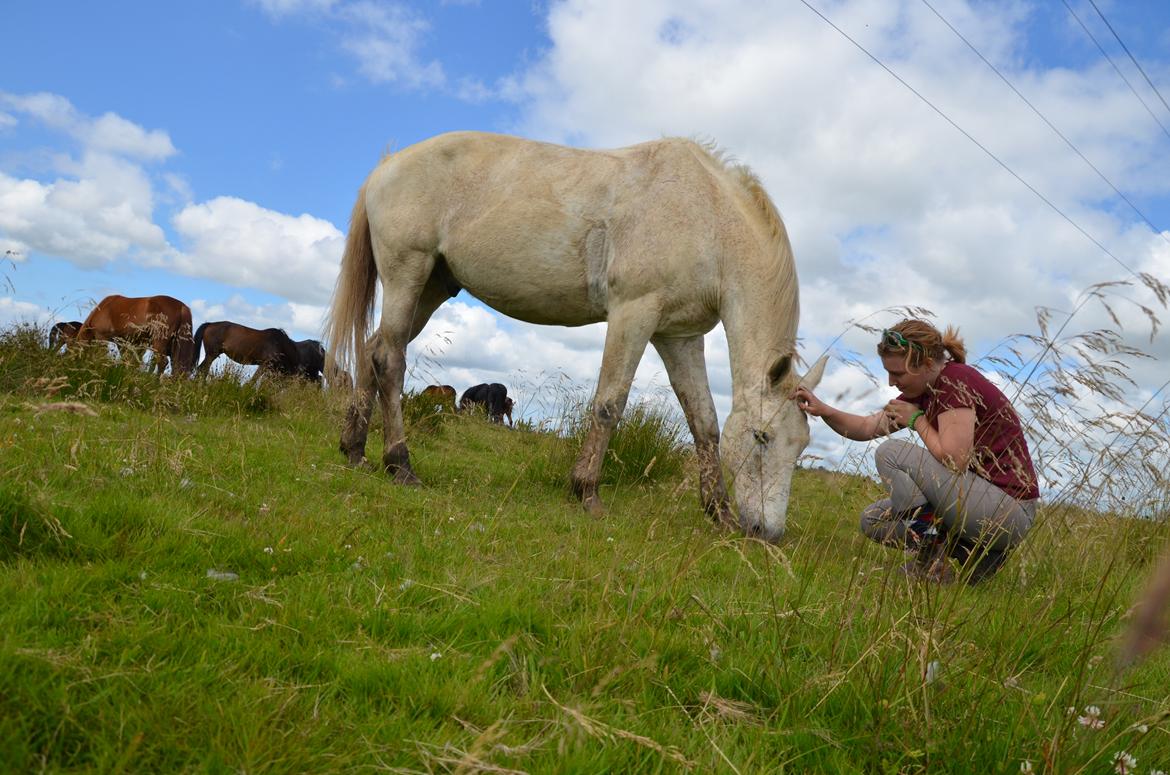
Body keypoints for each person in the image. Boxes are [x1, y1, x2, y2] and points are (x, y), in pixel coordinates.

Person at [793, 319, 1040, 584]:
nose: (891, 382)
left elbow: (955, 460)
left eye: (897, 374)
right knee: (874, 521)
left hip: (1008, 512)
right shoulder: (923, 390)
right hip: (978, 505)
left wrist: (917, 421)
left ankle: (931, 562)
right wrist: (825, 410)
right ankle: (972, 552)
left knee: (890, 453)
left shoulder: (955, 382)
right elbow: (866, 428)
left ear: (925, 364)